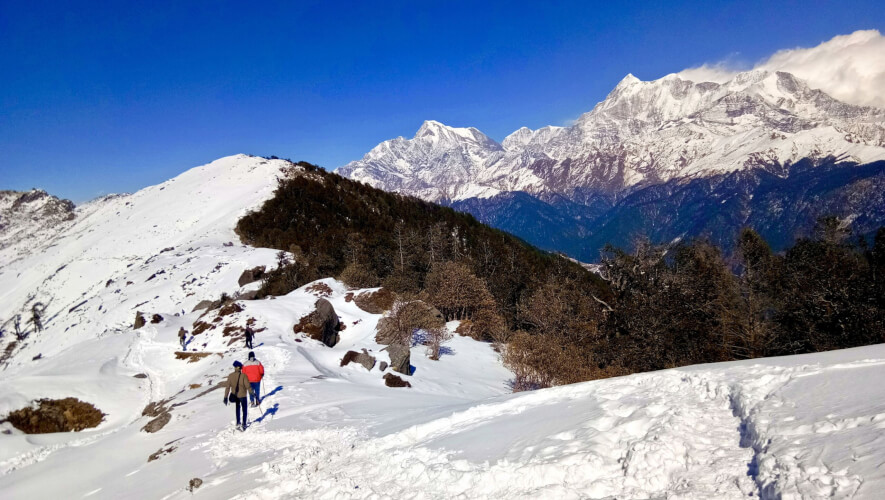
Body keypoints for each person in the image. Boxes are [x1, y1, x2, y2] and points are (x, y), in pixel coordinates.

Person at [224, 361, 256, 431]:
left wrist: (225, 397)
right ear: (240, 368)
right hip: (243, 395)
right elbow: (248, 386)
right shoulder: (243, 376)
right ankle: (244, 424)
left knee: (237, 409)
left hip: (235, 396)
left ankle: (238, 423)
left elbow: (227, 387)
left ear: (235, 368)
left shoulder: (230, 376)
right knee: (244, 410)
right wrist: (252, 393)